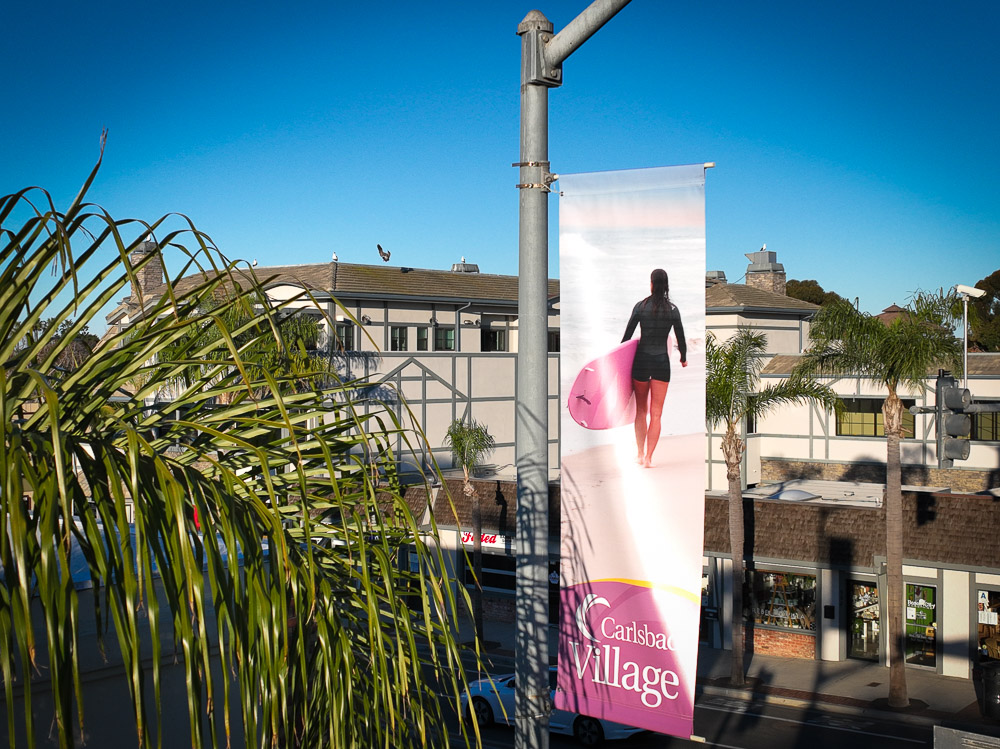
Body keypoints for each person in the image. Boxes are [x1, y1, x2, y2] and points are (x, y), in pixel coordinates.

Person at [621, 268, 687, 467]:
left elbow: (627, 337)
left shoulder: (640, 307)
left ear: (651, 283)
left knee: (641, 411)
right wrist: (683, 357)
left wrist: (619, 362)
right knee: (656, 413)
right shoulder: (673, 310)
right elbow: (680, 337)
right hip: (661, 363)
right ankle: (649, 458)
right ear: (666, 285)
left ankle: (640, 453)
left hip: (641, 361)